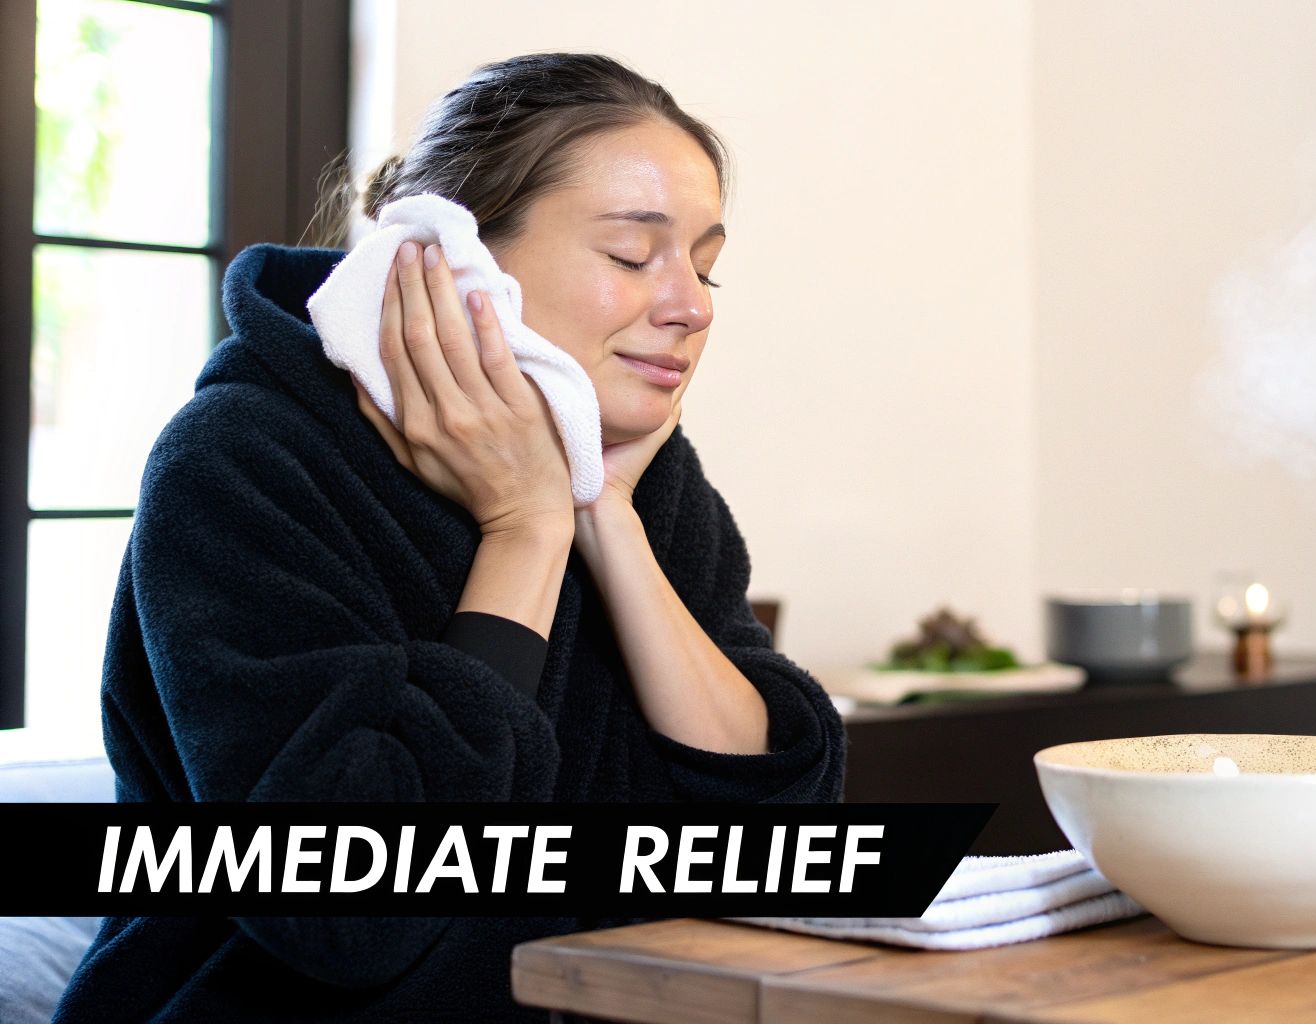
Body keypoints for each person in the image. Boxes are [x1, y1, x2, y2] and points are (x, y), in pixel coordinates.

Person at [51, 52, 846, 1022]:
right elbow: (352, 912)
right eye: (634, 256)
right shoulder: (243, 462)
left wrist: (602, 516)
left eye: (706, 264)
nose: (691, 304)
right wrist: (523, 531)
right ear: (448, 258)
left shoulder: (638, 470)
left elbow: (775, 841)